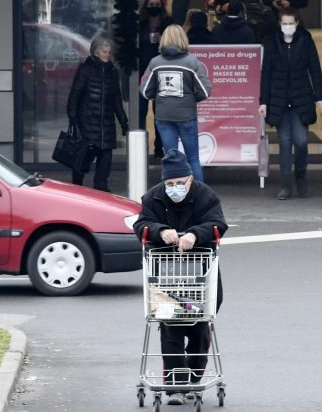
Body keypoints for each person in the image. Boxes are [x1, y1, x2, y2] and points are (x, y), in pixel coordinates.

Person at [133, 150, 227, 406]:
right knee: (170, 326)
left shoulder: (206, 196)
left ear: (190, 179)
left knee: (200, 326)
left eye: (179, 183)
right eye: (170, 184)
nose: (174, 188)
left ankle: (193, 379)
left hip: (200, 272)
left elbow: (218, 224)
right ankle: (175, 384)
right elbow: (141, 225)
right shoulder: (153, 197)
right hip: (167, 273)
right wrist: (160, 231)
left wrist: (195, 235)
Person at [258, 7, 322, 199]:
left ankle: (301, 177)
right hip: (278, 100)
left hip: (301, 98)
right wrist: (263, 101)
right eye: (284, 23)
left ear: (297, 23)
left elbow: (315, 69)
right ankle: (286, 185)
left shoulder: (305, 40)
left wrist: (319, 97)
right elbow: (266, 74)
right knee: (285, 143)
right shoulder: (272, 42)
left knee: (302, 141)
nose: (288, 27)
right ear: (280, 24)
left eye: (291, 23)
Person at [141, 24, 211, 182]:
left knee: (170, 159)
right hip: (187, 116)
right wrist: (191, 100)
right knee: (193, 159)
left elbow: (145, 90)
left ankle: (171, 198)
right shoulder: (192, 63)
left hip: (164, 116)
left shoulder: (155, 63)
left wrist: (159, 98)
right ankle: (199, 198)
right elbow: (205, 91)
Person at [66, 36, 129, 192]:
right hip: (87, 122)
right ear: (95, 52)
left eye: (109, 52)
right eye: (103, 51)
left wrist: (123, 121)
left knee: (105, 161)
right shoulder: (85, 69)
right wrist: (73, 118)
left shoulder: (113, 72)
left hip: (106, 123)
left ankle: (101, 189)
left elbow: (116, 99)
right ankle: (77, 187)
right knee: (82, 161)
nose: (107, 54)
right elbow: (75, 94)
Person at [139, 0, 174, 158]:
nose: (154, 6)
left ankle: (159, 147)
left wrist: (163, 41)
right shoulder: (141, 24)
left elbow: (175, 44)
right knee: (140, 111)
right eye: (151, 4)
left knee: (160, 112)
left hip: (162, 71)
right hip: (143, 70)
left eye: (157, 3)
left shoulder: (168, 24)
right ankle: (139, 146)